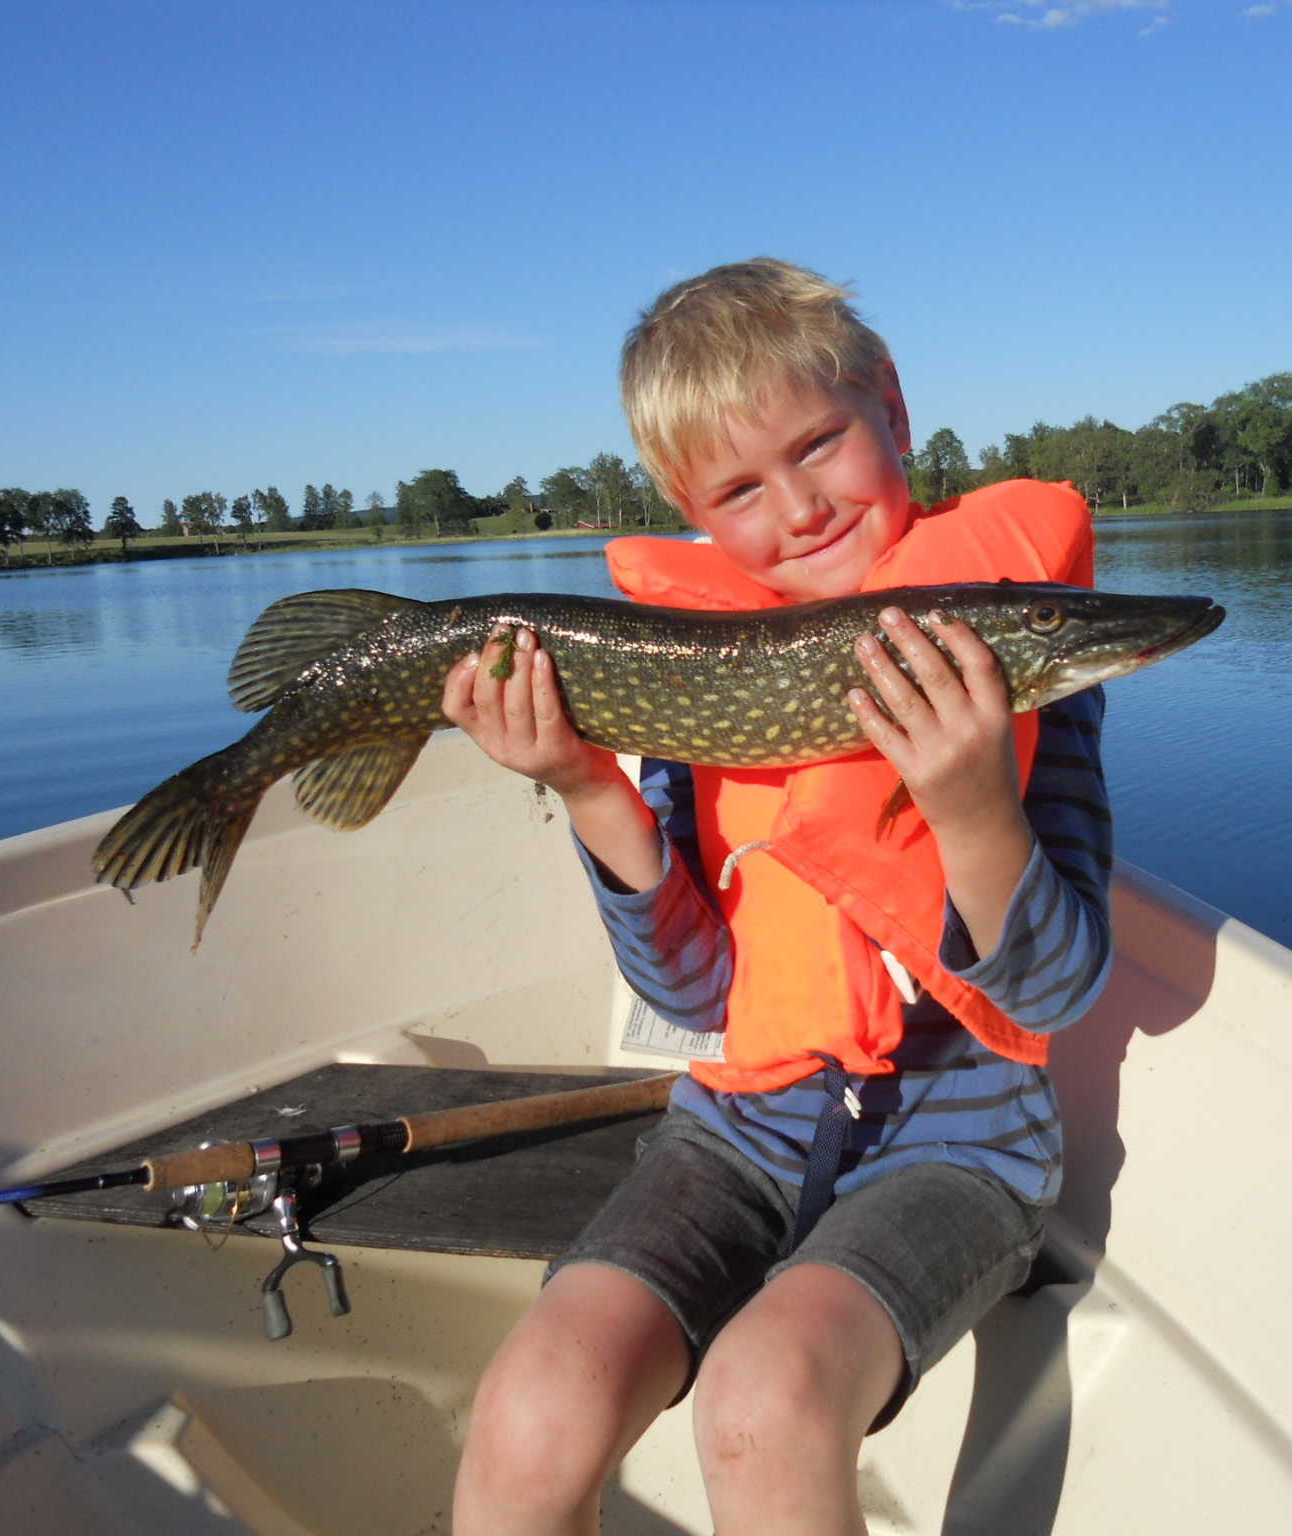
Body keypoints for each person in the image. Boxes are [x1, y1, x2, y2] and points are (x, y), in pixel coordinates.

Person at [441, 258, 1112, 1536]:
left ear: (892, 410)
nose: (798, 510)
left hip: (960, 1152)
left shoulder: (1006, 648)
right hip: (735, 1133)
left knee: (760, 1401)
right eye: (740, 491)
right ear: (688, 512)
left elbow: (1058, 984)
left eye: (819, 446)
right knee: (531, 1403)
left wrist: (972, 802)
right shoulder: (690, 675)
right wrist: (587, 785)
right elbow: (690, 991)